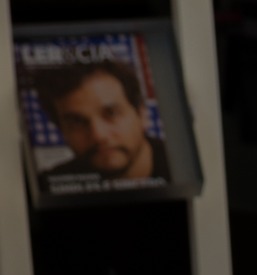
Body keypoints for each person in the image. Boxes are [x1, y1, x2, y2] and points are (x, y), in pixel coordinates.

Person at [34, 58, 170, 187]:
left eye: (111, 114)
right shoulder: (46, 187)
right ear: (62, 130)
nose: (98, 135)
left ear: (142, 115)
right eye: (77, 122)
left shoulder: (182, 168)